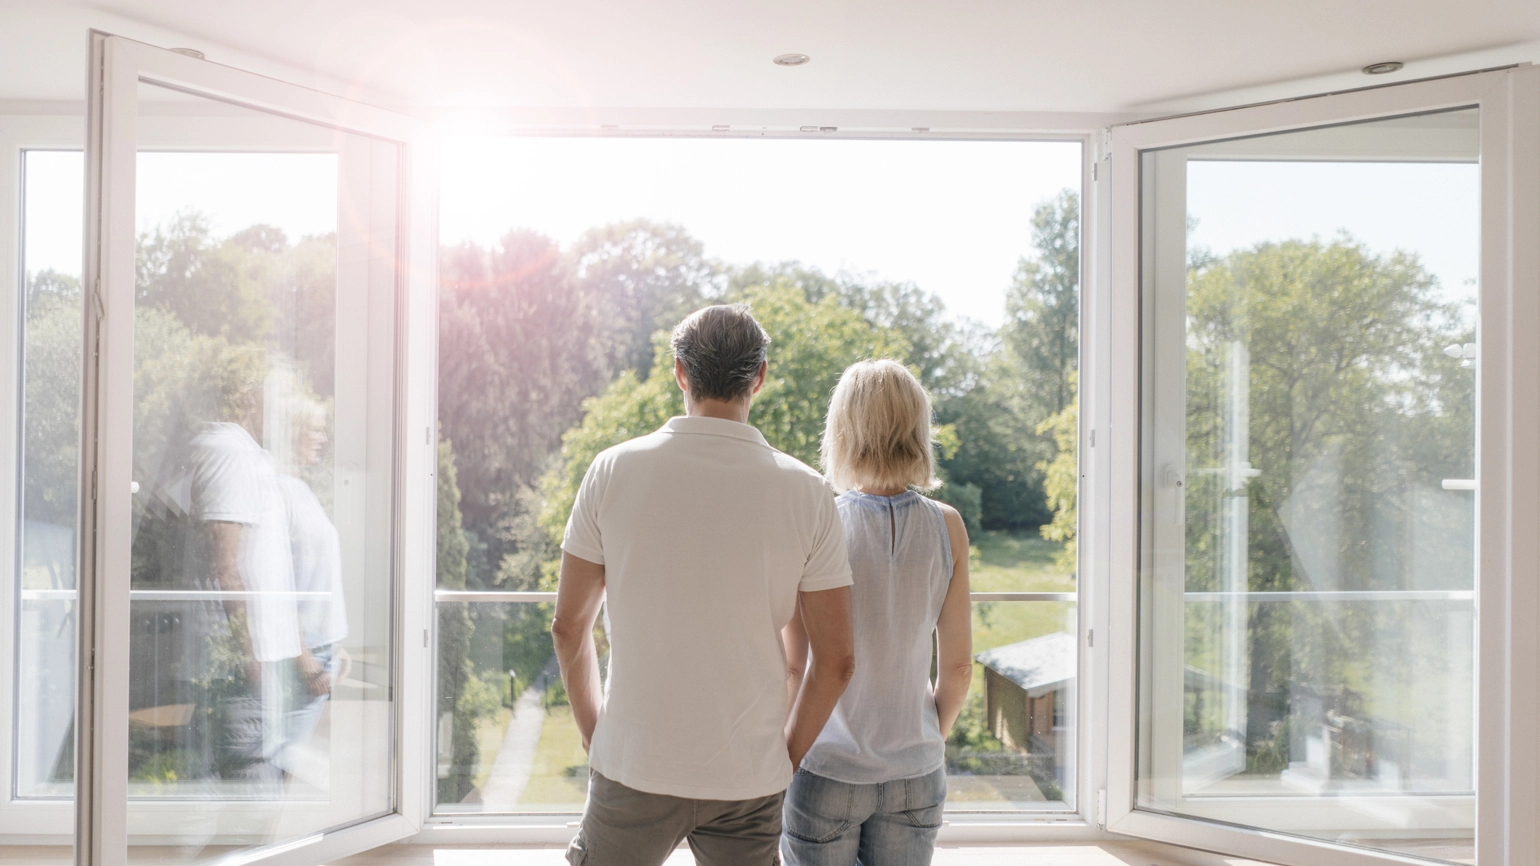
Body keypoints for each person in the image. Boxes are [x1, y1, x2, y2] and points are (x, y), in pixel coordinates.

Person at [555, 304, 857, 866]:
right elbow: (835, 659)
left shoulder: (612, 470)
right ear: (759, 376)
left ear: (679, 372)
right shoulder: (808, 492)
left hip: (632, 762)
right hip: (748, 777)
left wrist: (596, 733)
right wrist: (782, 759)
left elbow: (569, 626)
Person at [781, 360, 972, 866]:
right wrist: (925, 740)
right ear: (917, 430)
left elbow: (795, 667)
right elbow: (957, 667)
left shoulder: (820, 522)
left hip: (827, 768)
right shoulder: (948, 527)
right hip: (917, 771)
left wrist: (782, 757)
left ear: (843, 432)